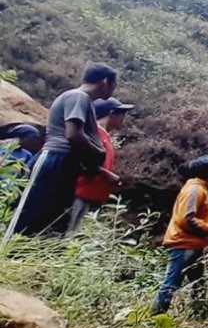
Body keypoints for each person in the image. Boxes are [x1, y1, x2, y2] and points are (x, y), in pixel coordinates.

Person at [7, 63, 116, 238]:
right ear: (105, 81)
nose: (114, 89)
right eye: (114, 84)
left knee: (52, 218)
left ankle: (31, 258)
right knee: (33, 212)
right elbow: (73, 135)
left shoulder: (84, 100)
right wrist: (95, 155)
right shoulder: (78, 96)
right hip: (55, 159)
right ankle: (11, 254)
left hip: (66, 163)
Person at [152, 156, 208, 314]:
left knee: (198, 283)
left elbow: (195, 216)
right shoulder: (195, 190)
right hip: (183, 245)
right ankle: (155, 316)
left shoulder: (201, 189)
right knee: (172, 283)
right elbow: (187, 219)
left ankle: (199, 314)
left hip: (193, 245)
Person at [67, 97, 132, 234]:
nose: (123, 118)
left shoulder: (102, 134)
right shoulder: (93, 132)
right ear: (111, 113)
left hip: (89, 194)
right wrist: (106, 174)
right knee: (69, 232)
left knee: (76, 233)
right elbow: (80, 160)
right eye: (121, 114)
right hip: (80, 192)